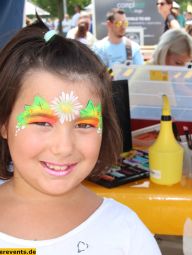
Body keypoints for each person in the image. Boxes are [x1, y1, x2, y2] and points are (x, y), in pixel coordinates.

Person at [0, 16, 161, 254]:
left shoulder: (126, 234)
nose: (64, 147)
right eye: (42, 122)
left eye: (84, 125)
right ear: (4, 123)